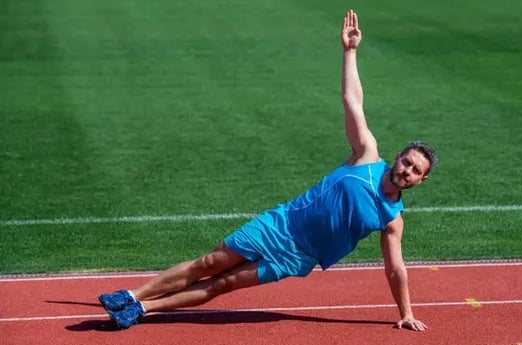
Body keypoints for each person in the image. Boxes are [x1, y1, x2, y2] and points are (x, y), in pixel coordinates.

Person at [98, 9, 436, 332]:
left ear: (421, 180)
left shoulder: (392, 219)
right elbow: (353, 101)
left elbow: (395, 269)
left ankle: (141, 309)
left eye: (415, 170)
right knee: (210, 263)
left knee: (223, 284)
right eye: (407, 161)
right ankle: (132, 295)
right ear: (397, 157)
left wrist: (405, 313)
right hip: (280, 224)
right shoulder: (366, 156)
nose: (406, 170)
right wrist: (349, 52)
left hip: (296, 257)